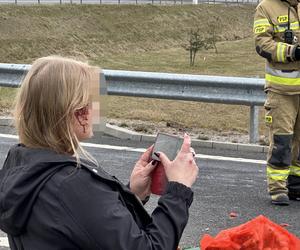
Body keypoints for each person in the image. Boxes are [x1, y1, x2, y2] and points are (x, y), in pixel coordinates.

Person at [0, 56, 199, 249]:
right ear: (77, 111)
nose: (95, 110)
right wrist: (178, 191)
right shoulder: (71, 184)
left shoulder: (21, 163)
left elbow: (83, 227)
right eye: (91, 101)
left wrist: (133, 195)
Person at [253, 0, 300, 205]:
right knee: (282, 141)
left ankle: (296, 185)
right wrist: (292, 52)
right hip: (282, 90)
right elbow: (262, 44)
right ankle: (278, 188)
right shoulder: (266, 7)